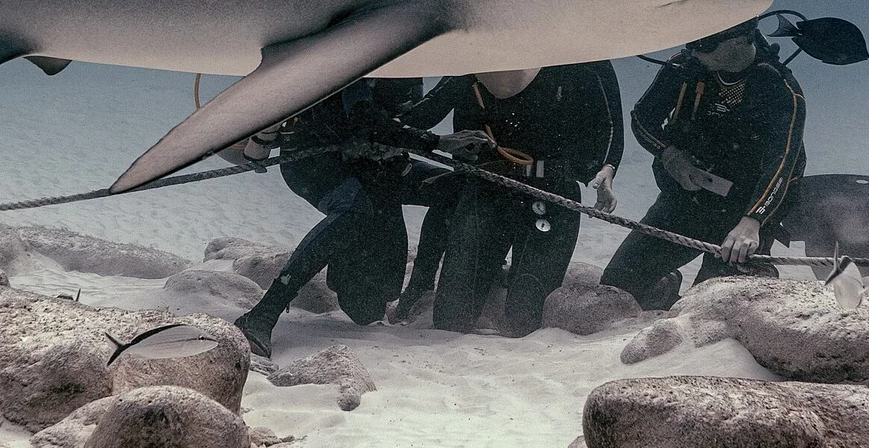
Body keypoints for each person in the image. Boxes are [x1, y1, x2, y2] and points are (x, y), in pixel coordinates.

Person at [393, 62, 622, 335]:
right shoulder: (477, 55)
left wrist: (607, 169)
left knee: (524, 319)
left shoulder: (580, 58)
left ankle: (501, 281)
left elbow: (609, 125)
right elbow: (422, 114)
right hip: (486, 190)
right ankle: (432, 282)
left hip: (552, 195)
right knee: (450, 318)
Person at [600, 19, 808, 310]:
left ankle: (757, 274)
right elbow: (642, 118)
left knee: (706, 309)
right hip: (686, 202)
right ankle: (665, 286)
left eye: (704, 43)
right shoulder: (685, 67)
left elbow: (783, 163)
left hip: (741, 212)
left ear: (739, 41)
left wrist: (753, 221)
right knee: (616, 286)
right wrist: (669, 154)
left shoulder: (781, 90)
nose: (693, 50)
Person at [231, 77, 425, 358]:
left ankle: (413, 293)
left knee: (368, 309)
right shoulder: (359, 67)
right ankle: (263, 313)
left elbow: (393, 120)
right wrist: (434, 141)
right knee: (356, 210)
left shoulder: (407, 66)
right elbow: (363, 115)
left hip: (370, 165)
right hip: (313, 165)